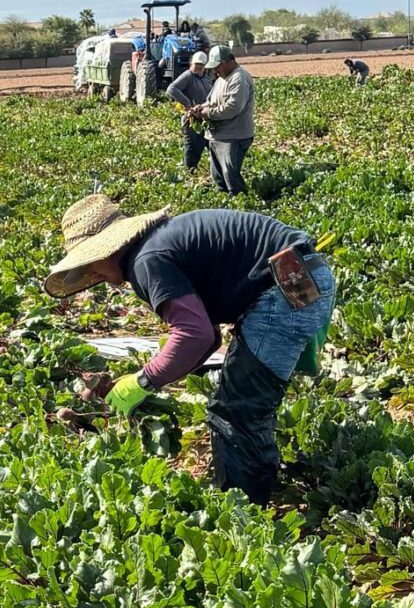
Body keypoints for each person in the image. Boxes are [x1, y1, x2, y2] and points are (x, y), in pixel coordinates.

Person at [45, 196, 335, 506]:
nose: (92, 273)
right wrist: (154, 377)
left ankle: (244, 510)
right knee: (243, 402)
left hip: (283, 291)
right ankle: (253, 490)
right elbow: (208, 337)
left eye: (91, 262)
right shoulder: (157, 246)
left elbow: (193, 334)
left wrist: (143, 381)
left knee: (237, 411)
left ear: (110, 247)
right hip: (301, 277)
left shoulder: (147, 261)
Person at [188, 44, 255, 196]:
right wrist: (201, 107)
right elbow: (212, 100)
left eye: (217, 67)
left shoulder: (239, 78)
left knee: (231, 178)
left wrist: (207, 113)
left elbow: (232, 108)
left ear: (225, 62)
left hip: (233, 137)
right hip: (218, 136)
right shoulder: (222, 78)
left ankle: (241, 208)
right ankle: (224, 207)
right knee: (219, 178)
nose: (215, 71)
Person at [166, 52, 213, 170]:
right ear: (191, 64)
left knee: (208, 144)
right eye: (196, 64)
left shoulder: (206, 79)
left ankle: (208, 170)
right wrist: (187, 104)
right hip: (192, 119)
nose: (198, 67)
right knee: (191, 146)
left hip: (205, 118)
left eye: (201, 65)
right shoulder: (188, 76)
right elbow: (171, 89)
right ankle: (189, 171)